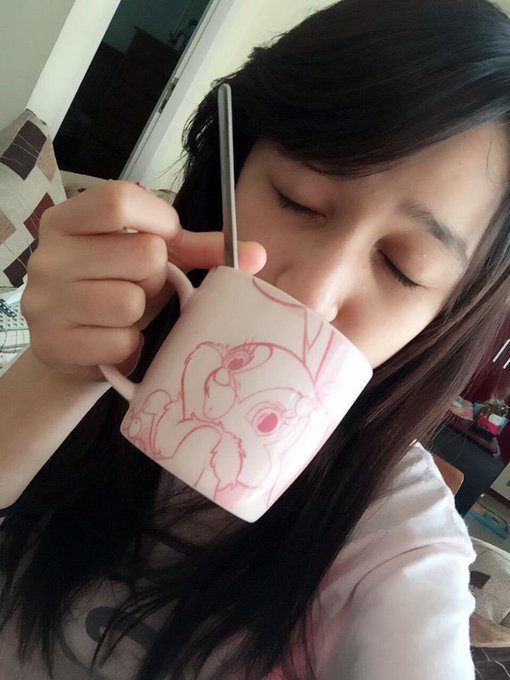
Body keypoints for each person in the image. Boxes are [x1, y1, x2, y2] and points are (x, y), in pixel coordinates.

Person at [1, 0, 510, 677]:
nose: (315, 293)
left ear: (443, 318)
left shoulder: (397, 540)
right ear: (233, 172)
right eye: (299, 199)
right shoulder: (104, 331)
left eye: (403, 266)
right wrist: (60, 371)